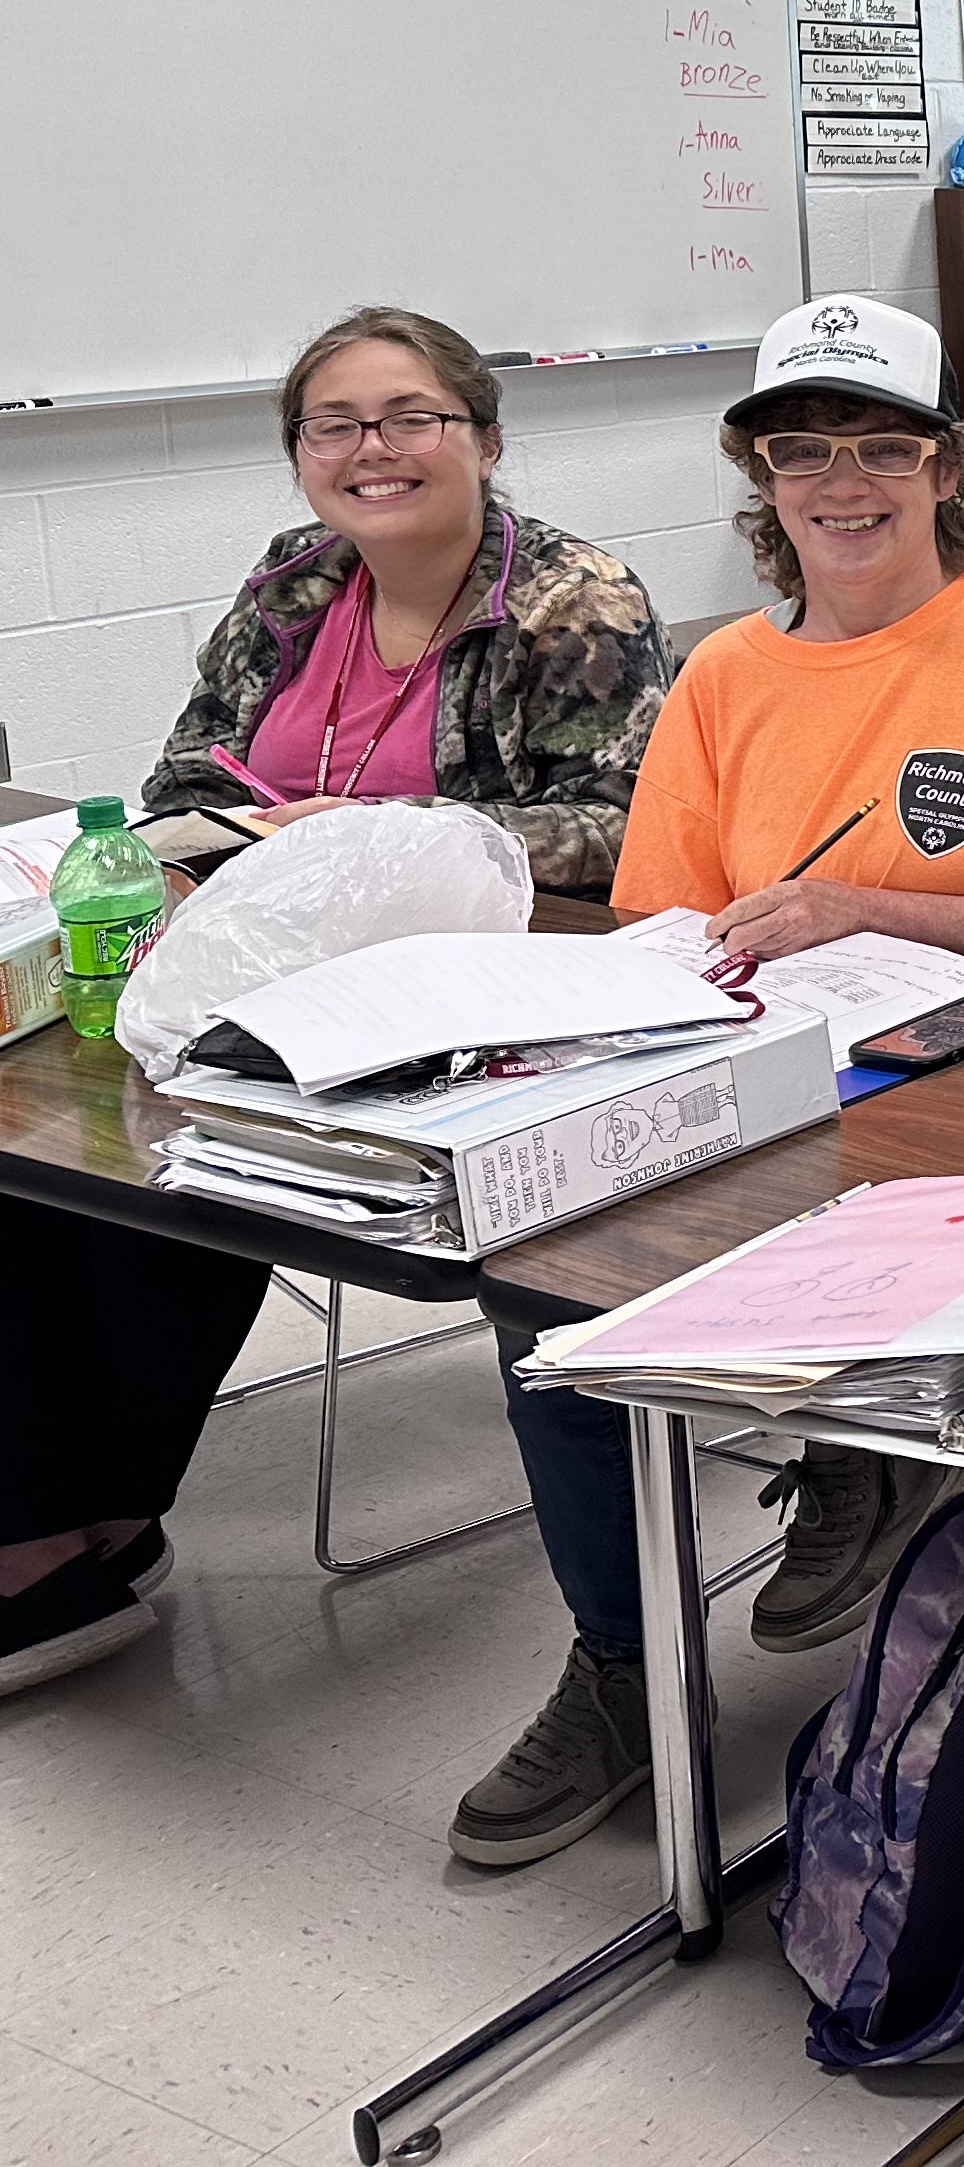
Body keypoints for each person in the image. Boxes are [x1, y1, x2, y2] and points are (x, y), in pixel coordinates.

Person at [452, 294, 964, 1873]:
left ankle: (870, 1471)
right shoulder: (726, 671)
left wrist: (867, 905)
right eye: (805, 452)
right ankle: (621, 1658)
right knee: (541, 1281)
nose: (841, 484)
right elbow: (669, 919)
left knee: (842, 1246)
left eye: (879, 447)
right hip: (781, 1073)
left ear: (945, 468)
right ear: (763, 476)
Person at [0, 307, 668, 1702]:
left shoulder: (572, 598)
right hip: (279, 966)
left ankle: (91, 1518)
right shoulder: (293, 583)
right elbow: (189, 778)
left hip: (478, 996)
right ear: (302, 455)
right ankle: (64, 1515)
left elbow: (617, 834)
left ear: (482, 436)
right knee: (54, 1153)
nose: (375, 449)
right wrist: (246, 850)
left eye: (413, 416)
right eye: (335, 425)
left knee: (185, 1166)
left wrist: (377, 832)